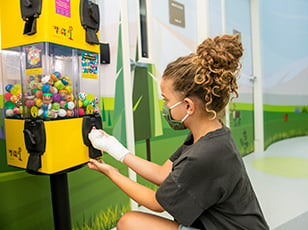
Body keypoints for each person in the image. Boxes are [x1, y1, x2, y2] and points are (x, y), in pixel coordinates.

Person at [87, 34, 269, 230]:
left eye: (166, 100)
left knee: (129, 223)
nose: (165, 106)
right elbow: (162, 173)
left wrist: (112, 173)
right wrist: (114, 148)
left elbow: (156, 203)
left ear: (188, 106)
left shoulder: (206, 154)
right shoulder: (208, 136)